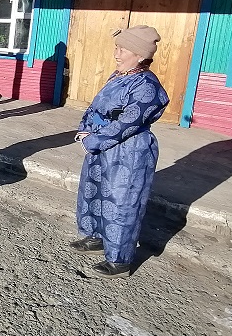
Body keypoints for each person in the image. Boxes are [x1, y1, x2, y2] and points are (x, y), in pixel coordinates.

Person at [70, 25, 170, 278]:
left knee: (121, 201)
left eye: (123, 49)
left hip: (130, 149)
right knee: (94, 191)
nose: (116, 53)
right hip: (102, 145)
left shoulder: (147, 86)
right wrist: (85, 129)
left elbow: (128, 122)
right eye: (117, 47)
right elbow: (96, 107)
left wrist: (94, 140)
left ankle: (119, 259)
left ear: (140, 55)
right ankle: (95, 236)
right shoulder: (119, 75)